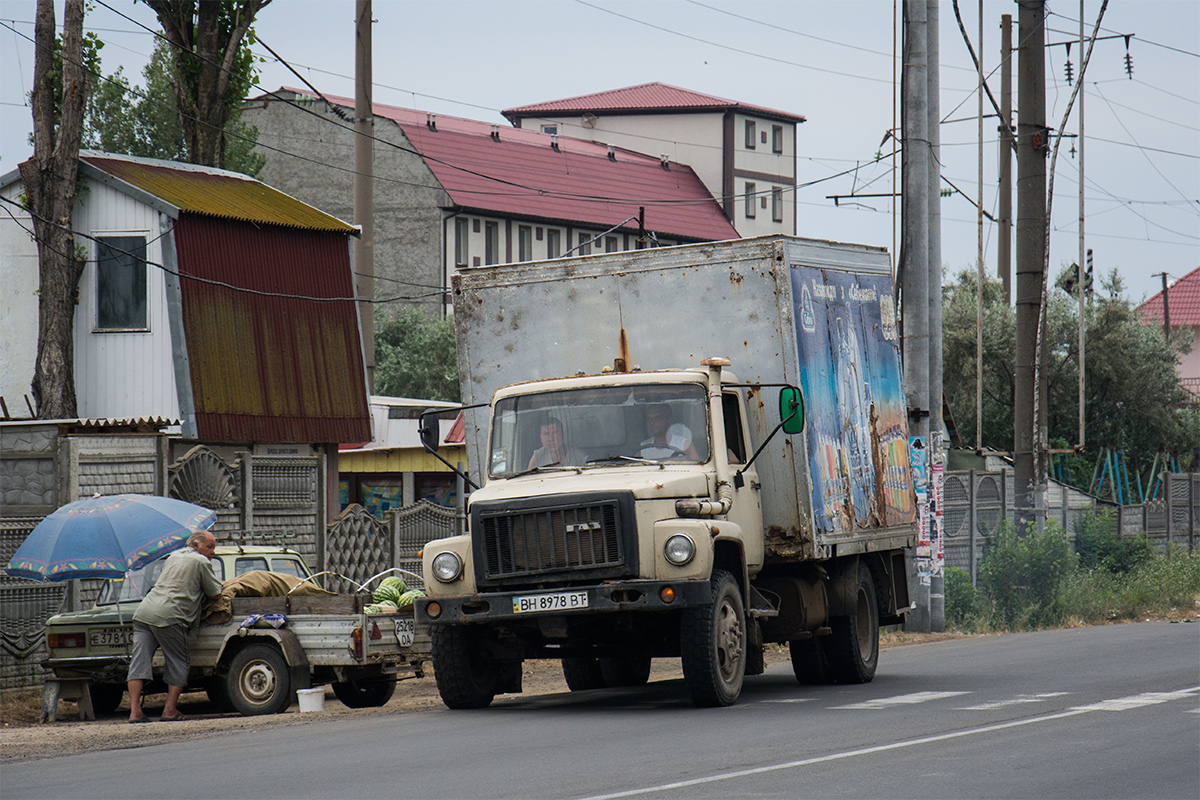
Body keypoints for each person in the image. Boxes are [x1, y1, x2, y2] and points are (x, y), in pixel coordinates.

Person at [126, 529, 222, 723]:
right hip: (171, 615)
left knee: (139, 662)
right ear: (196, 546)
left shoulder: (173, 556)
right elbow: (215, 593)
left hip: (144, 612)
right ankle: (169, 711)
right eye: (210, 547)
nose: (213, 551)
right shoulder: (201, 561)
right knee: (178, 661)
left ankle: (135, 712)